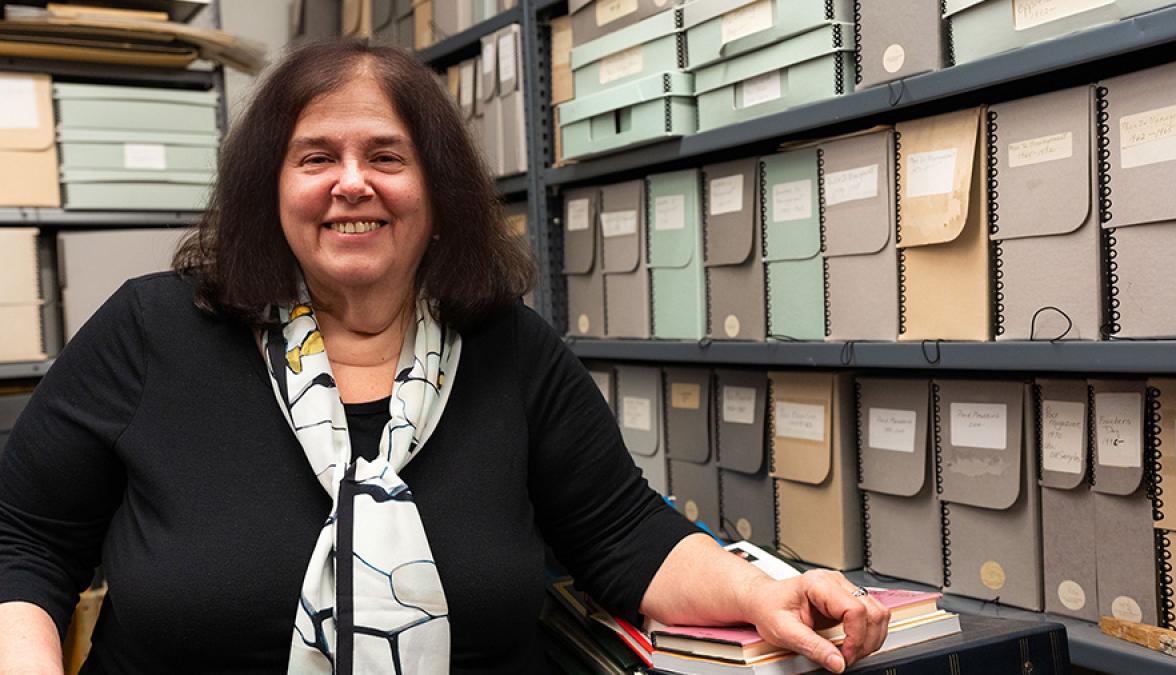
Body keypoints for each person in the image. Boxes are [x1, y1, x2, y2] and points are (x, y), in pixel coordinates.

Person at [0, 39, 889, 674]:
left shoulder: (509, 349)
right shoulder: (154, 332)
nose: (353, 181)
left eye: (386, 155)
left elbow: (625, 536)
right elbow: (24, 542)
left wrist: (761, 594)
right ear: (271, 187)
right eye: (317, 156)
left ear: (437, 190)